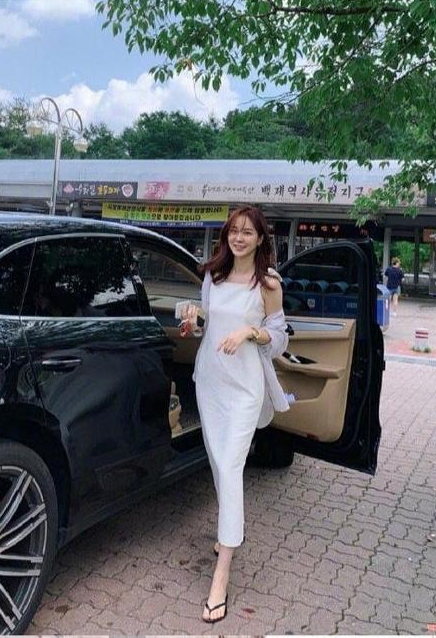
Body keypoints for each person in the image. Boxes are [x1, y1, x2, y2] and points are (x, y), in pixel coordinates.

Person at [180, 206, 290, 623]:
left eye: (247, 232)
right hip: (210, 381)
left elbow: (279, 338)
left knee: (229, 466)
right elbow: (207, 323)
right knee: (217, 463)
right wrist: (194, 319)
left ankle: (221, 575)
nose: (238, 238)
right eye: (233, 231)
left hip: (245, 388)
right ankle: (230, 530)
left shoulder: (269, 284)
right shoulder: (214, 275)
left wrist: (251, 331)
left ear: (261, 238)